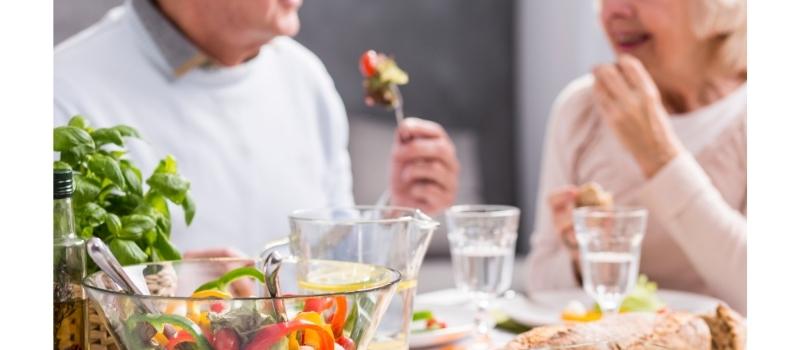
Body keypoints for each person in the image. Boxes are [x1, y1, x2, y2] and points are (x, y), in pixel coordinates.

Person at [54, 0, 460, 257]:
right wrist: (161, 292)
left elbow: (332, 267)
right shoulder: (60, 93)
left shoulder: (305, 78)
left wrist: (396, 212)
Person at [526, 0, 746, 313]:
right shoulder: (581, 109)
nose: (613, 11)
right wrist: (581, 256)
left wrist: (659, 157)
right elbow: (541, 286)